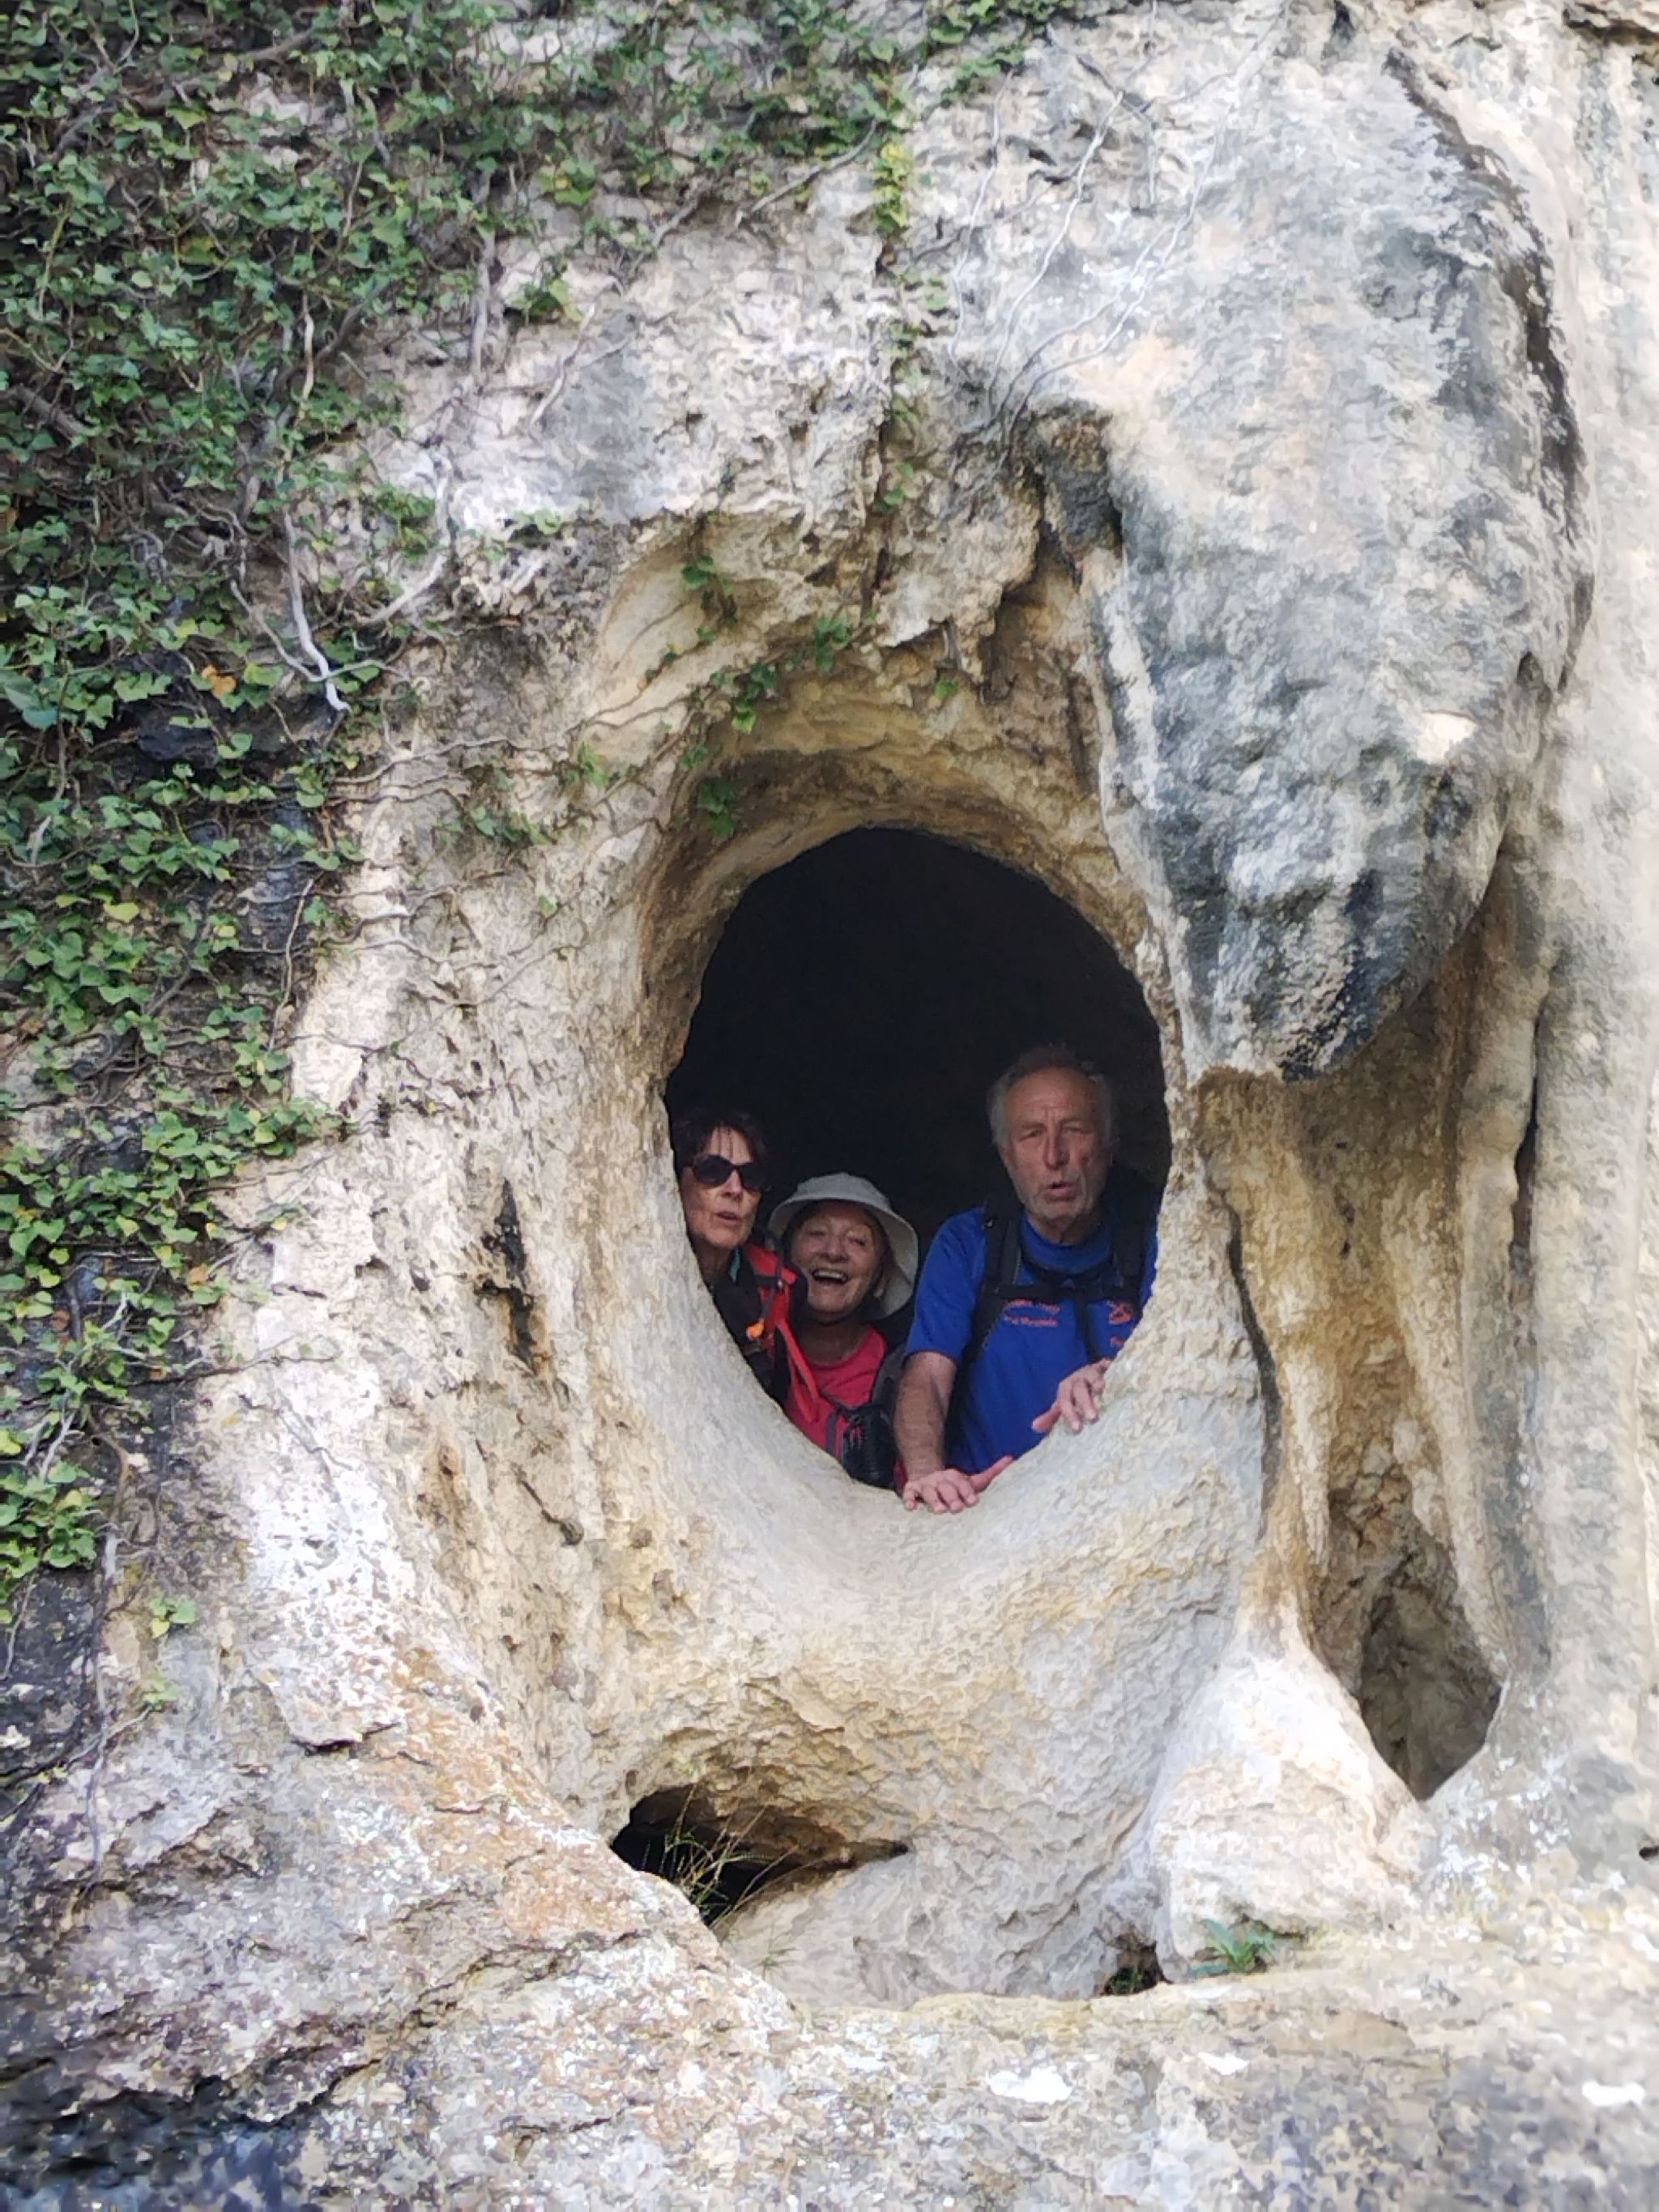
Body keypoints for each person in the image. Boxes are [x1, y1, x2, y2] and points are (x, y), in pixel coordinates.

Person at [894, 1044, 1159, 1515]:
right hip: (989, 1510)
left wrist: (1115, 1375)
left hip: (1122, 1506)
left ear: (1109, 1145)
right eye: (1032, 1135)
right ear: (1007, 1157)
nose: (1055, 1156)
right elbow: (928, 1377)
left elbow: (1190, 1360)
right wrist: (927, 1473)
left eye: (1074, 1130)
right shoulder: (969, 1243)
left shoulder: (1154, 1237)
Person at [770, 1174, 919, 1487]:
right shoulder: (756, 1353)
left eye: (858, 1241)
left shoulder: (906, 1376)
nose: (834, 1252)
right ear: (785, 1255)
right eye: (817, 1233)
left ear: (881, 1278)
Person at [672, 1107, 800, 1401]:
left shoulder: (780, 1288)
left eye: (751, 1177)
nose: (735, 1189)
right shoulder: (631, 1273)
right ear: (674, 1180)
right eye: (712, 1171)